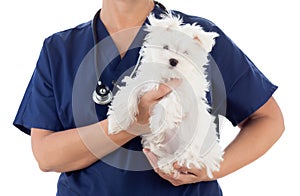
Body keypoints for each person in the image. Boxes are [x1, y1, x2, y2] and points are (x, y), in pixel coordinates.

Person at [13, 0, 284, 195]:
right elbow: (47, 156)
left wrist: (211, 168)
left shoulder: (195, 36)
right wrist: (130, 125)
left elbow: (268, 119)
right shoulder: (59, 50)